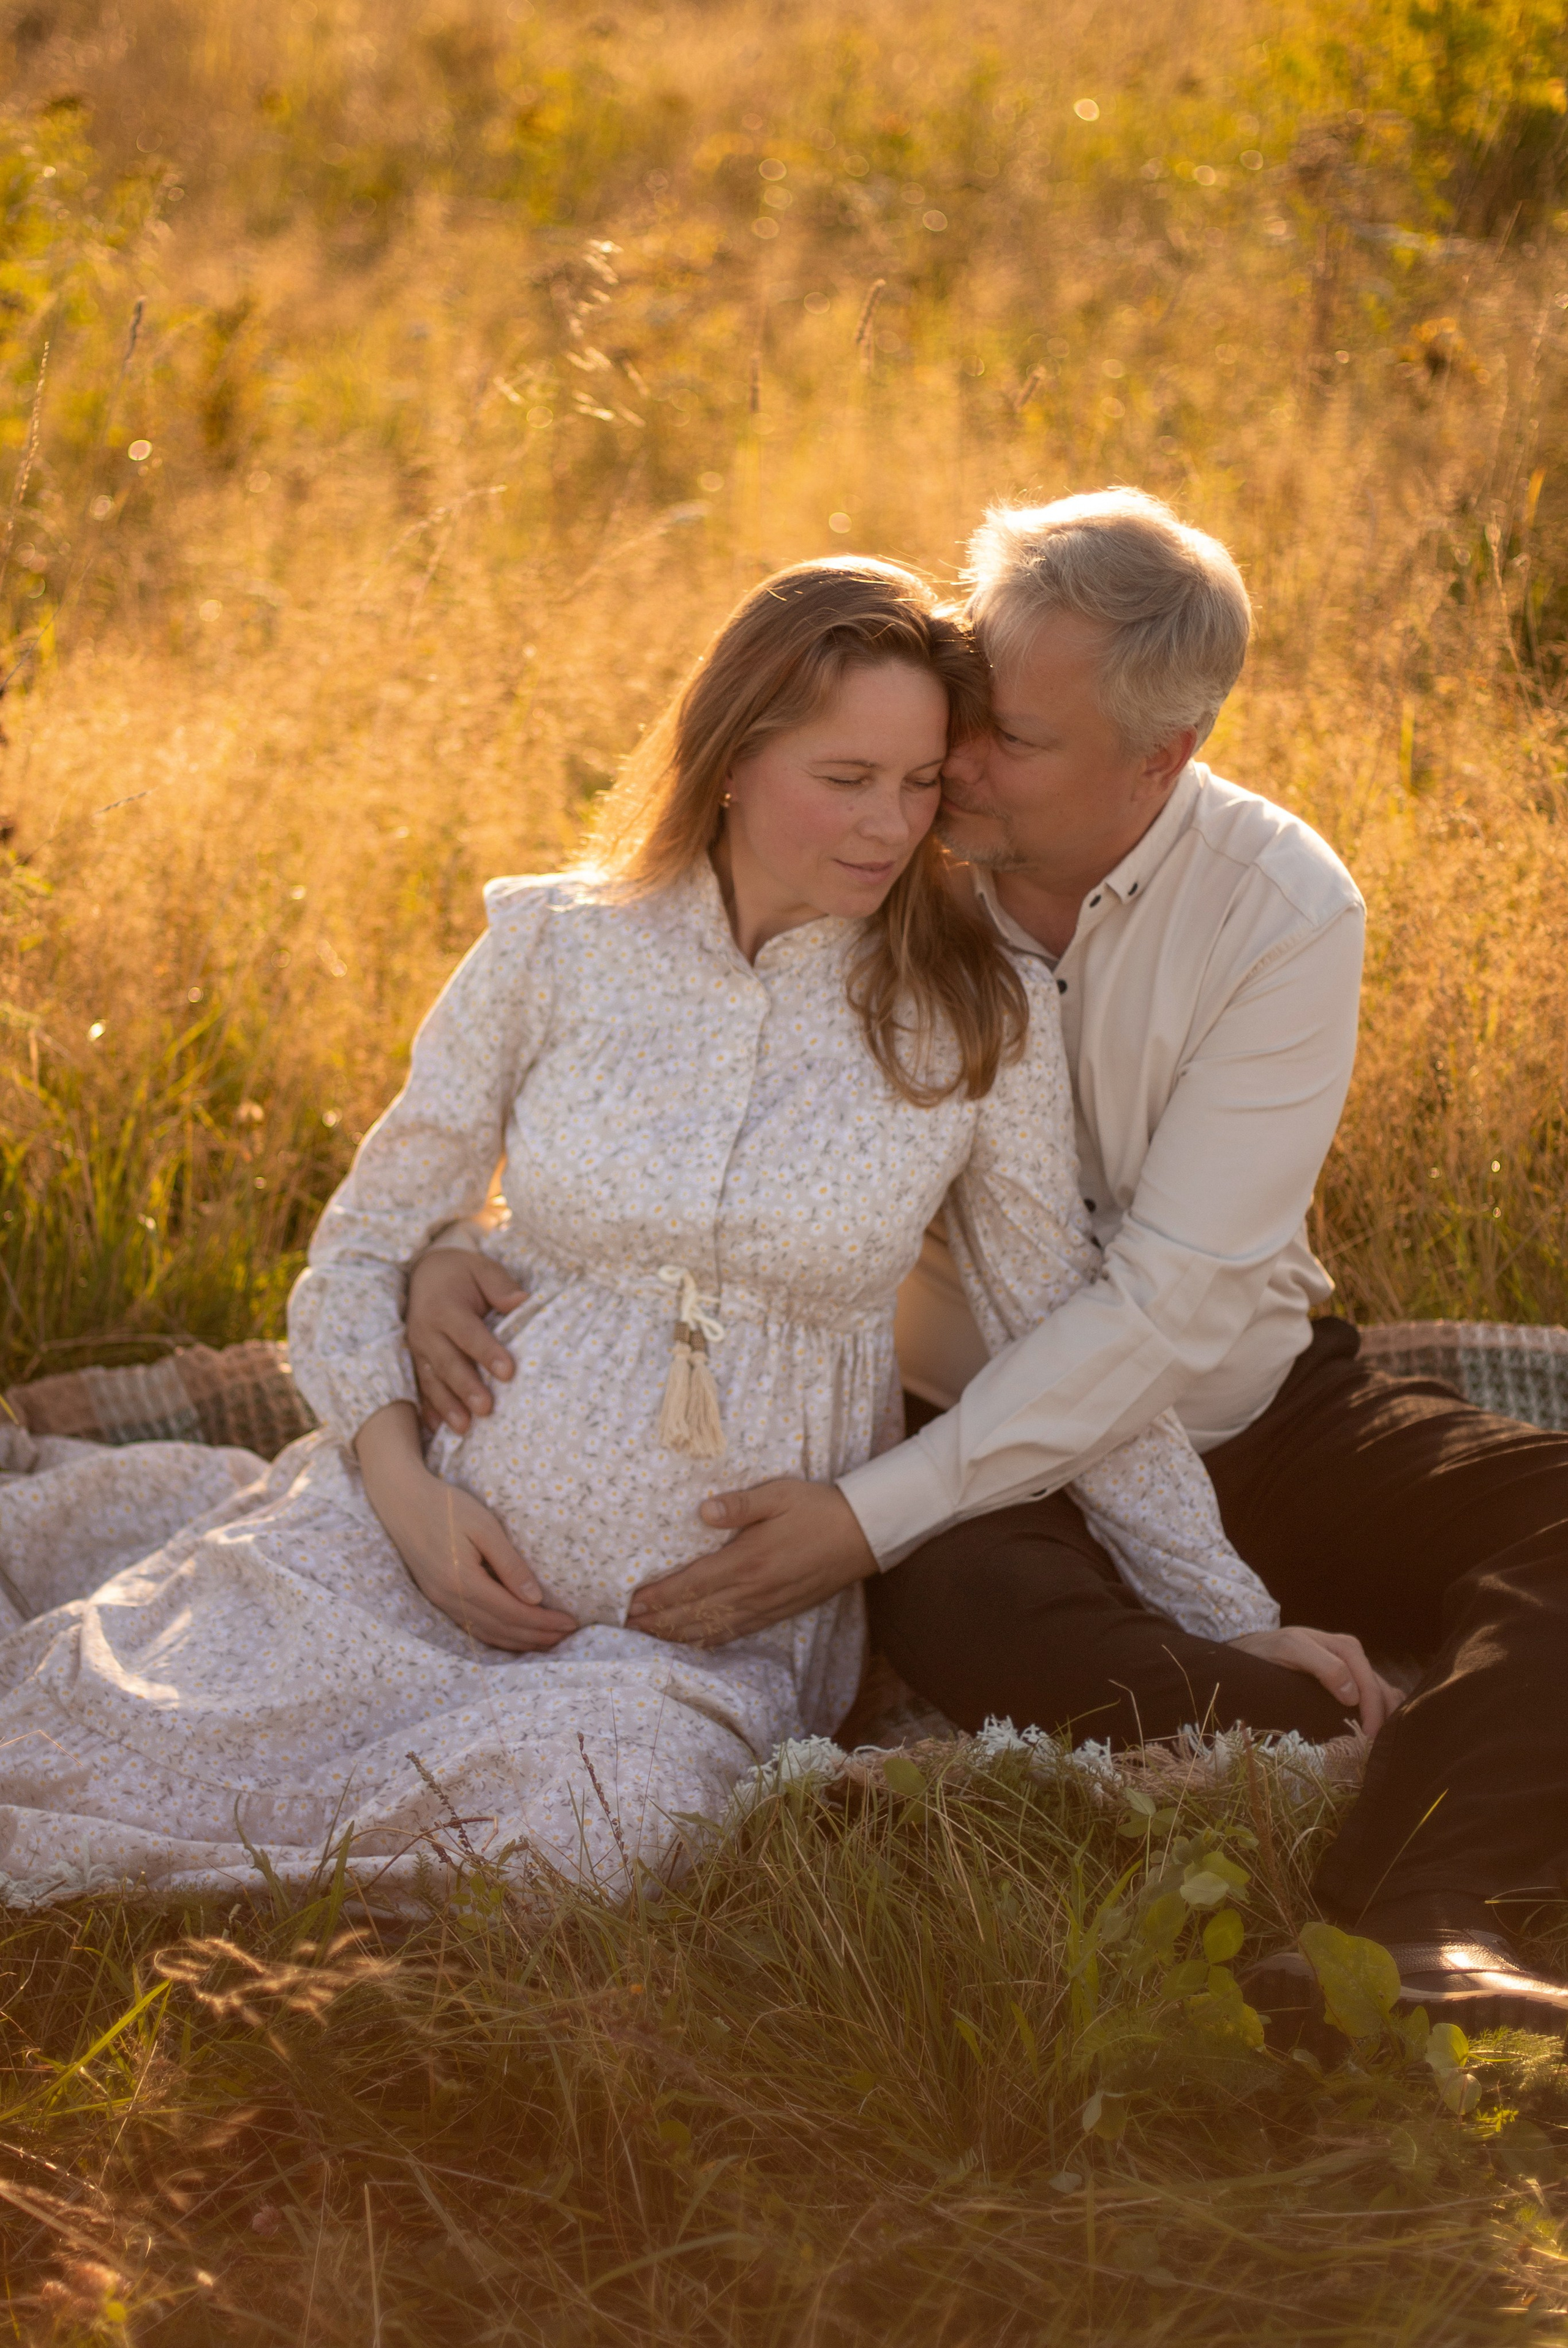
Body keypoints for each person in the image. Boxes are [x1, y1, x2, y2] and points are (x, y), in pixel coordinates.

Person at [409, 494, 1568, 2036]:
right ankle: (1329, 1723)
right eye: (967, 703)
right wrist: (452, 1250)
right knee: (974, 1622)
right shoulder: (875, 854)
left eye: (1007, 739)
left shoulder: (1279, 912)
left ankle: (1432, 1916)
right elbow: (673, 1134)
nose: (947, 766)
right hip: (959, 1442)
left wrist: (861, 1523)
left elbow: (1164, 1312)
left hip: (1238, 1409)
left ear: (1157, 757)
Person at [0, 557, 1286, 1909]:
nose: (890, 827)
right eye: (844, 779)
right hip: (413, 1541)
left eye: (919, 785)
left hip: (697, 1641)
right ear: (728, 756)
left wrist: (1233, 1625)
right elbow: (364, 1247)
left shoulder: (974, 1011)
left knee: (587, 1834)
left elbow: (1070, 1336)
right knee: (103, 1728)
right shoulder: (555, 945)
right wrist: (411, 1500)